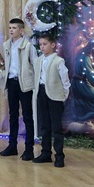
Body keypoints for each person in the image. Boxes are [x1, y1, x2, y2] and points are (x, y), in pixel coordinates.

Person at [1, 18, 38, 161]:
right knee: (13, 115)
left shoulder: (28, 46)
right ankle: (12, 145)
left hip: (24, 83)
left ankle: (29, 149)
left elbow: (35, 65)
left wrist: (33, 82)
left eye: (14, 28)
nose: (11, 30)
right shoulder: (7, 45)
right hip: (11, 82)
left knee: (27, 116)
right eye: (10, 27)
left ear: (21, 30)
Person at [33, 33, 71, 167]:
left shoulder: (58, 61)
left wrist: (64, 95)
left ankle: (59, 155)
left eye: (45, 44)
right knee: (44, 125)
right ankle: (46, 153)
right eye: (40, 44)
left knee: (56, 127)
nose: (42, 47)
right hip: (42, 93)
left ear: (53, 45)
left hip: (55, 96)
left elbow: (65, 79)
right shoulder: (38, 61)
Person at [71, 37, 94, 121]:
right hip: (81, 84)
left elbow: (85, 68)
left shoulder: (84, 54)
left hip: (77, 82)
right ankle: (89, 114)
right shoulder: (85, 57)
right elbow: (92, 78)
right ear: (93, 47)